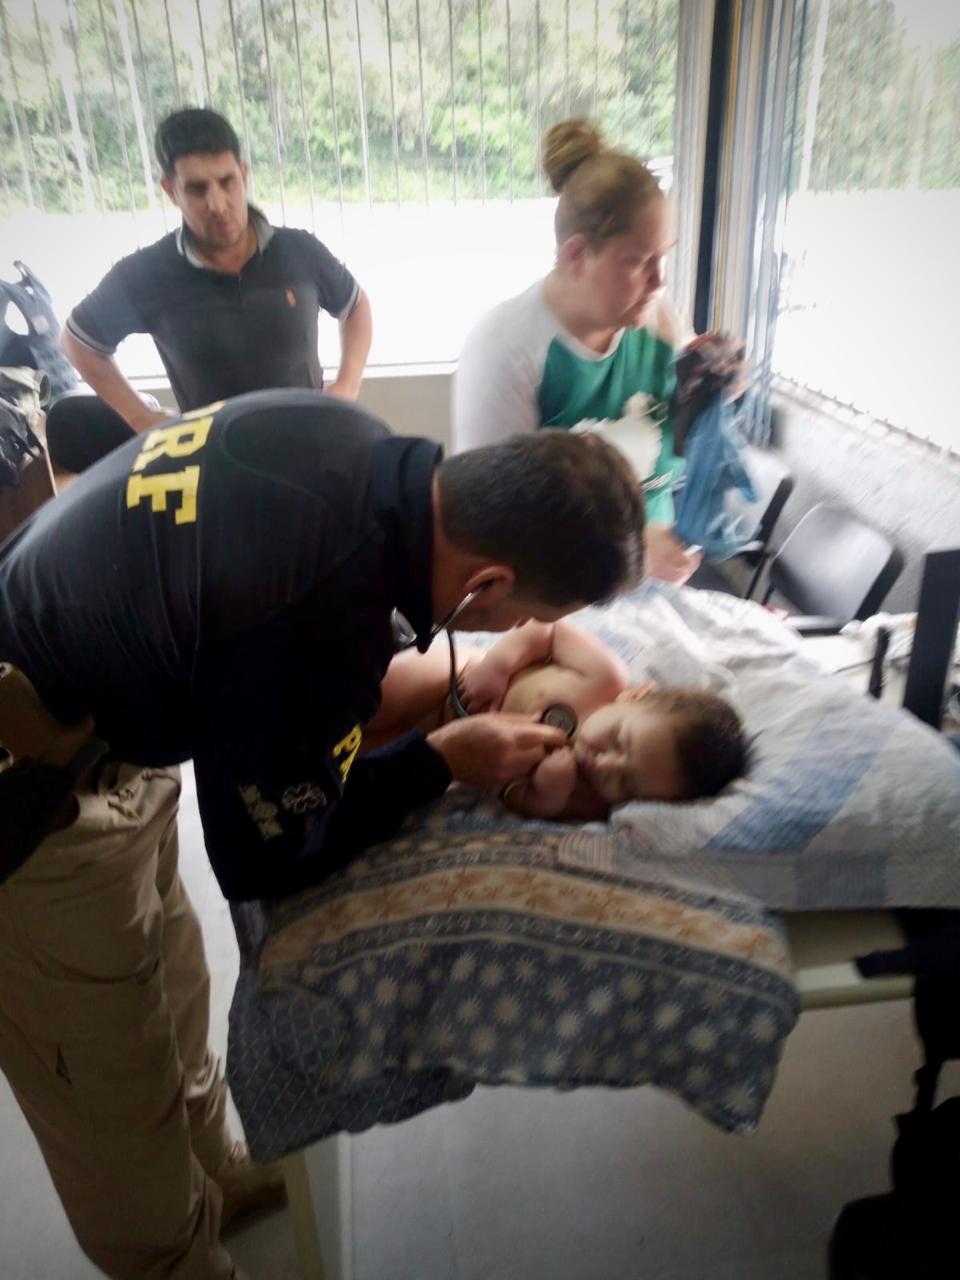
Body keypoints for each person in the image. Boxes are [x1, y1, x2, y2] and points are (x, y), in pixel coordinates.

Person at [0, 391, 645, 1278]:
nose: (519, 634)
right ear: (489, 582)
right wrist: (438, 761)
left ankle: (215, 1174)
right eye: (526, 616)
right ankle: (170, 1260)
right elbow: (265, 856)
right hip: (26, 796)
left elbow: (286, 692)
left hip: (101, 718)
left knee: (169, 989)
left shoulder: (355, 442)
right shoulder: (318, 604)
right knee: (106, 1083)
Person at [453, 117, 745, 586]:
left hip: (655, 591)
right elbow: (493, 524)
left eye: (664, 256)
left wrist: (718, 391)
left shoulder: (660, 322)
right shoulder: (505, 349)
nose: (659, 280)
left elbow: (680, 444)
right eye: (638, 261)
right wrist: (629, 549)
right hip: (555, 597)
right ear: (576, 255)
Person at [57, 107, 372, 456]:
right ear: (171, 191)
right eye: (197, 189)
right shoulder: (148, 274)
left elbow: (355, 305)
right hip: (215, 464)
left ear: (244, 175)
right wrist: (139, 416)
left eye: (227, 182)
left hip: (310, 450)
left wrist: (347, 384)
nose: (218, 204)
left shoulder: (299, 251)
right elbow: (77, 341)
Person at [365, 617, 746, 817]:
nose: (605, 765)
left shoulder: (586, 798)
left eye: (625, 783)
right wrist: (498, 666)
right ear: (634, 696)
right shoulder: (604, 677)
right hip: (457, 681)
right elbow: (546, 629)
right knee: (373, 701)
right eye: (619, 740)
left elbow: (508, 794)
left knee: (366, 761)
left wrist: (543, 798)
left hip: (441, 747)